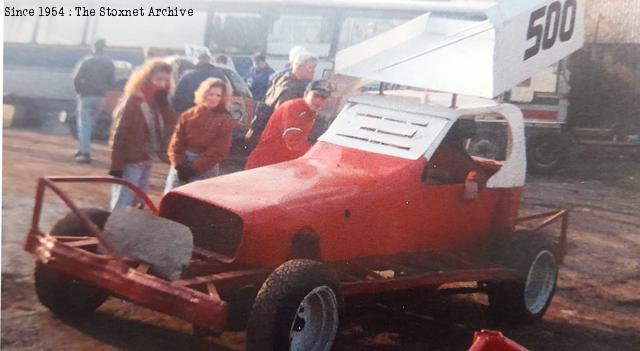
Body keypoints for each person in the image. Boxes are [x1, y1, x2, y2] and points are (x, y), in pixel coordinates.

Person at [109, 59, 176, 209]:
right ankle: (114, 231)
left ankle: (128, 230)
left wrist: (165, 107)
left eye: (166, 81)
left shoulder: (159, 101)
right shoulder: (133, 100)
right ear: (146, 78)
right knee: (124, 200)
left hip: (147, 158)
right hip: (130, 159)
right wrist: (116, 164)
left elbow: (170, 128)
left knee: (138, 200)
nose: (162, 84)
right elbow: (119, 132)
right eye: (158, 80)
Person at [164, 78, 235, 192]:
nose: (214, 98)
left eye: (218, 95)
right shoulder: (188, 114)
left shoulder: (225, 120)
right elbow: (176, 142)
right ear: (203, 94)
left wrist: (195, 168)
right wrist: (179, 165)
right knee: (171, 200)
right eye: (211, 94)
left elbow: (219, 150)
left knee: (197, 205)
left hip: (206, 168)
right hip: (181, 163)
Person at [245, 80, 332, 169]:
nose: (318, 100)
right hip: (265, 163)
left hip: (278, 165)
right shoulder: (294, 108)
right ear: (306, 94)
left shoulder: (310, 112)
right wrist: (319, 157)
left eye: (323, 98)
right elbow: (294, 143)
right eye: (316, 96)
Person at [245, 51, 318, 145]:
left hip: (266, 130)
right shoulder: (298, 88)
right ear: (299, 67)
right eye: (310, 67)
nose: (313, 71)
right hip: (279, 136)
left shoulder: (281, 79)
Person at [72, 38, 115, 163]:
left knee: (84, 125)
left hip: (86, 96)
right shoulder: (109, 62)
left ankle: (85, 152)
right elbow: (112, 81)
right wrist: (104, 90)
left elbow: (76, 78)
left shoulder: (86, 61)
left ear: (93, 47)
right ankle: (82, 149)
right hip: (100, 97)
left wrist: (79, 91)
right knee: (90, 124)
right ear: (104, 47)